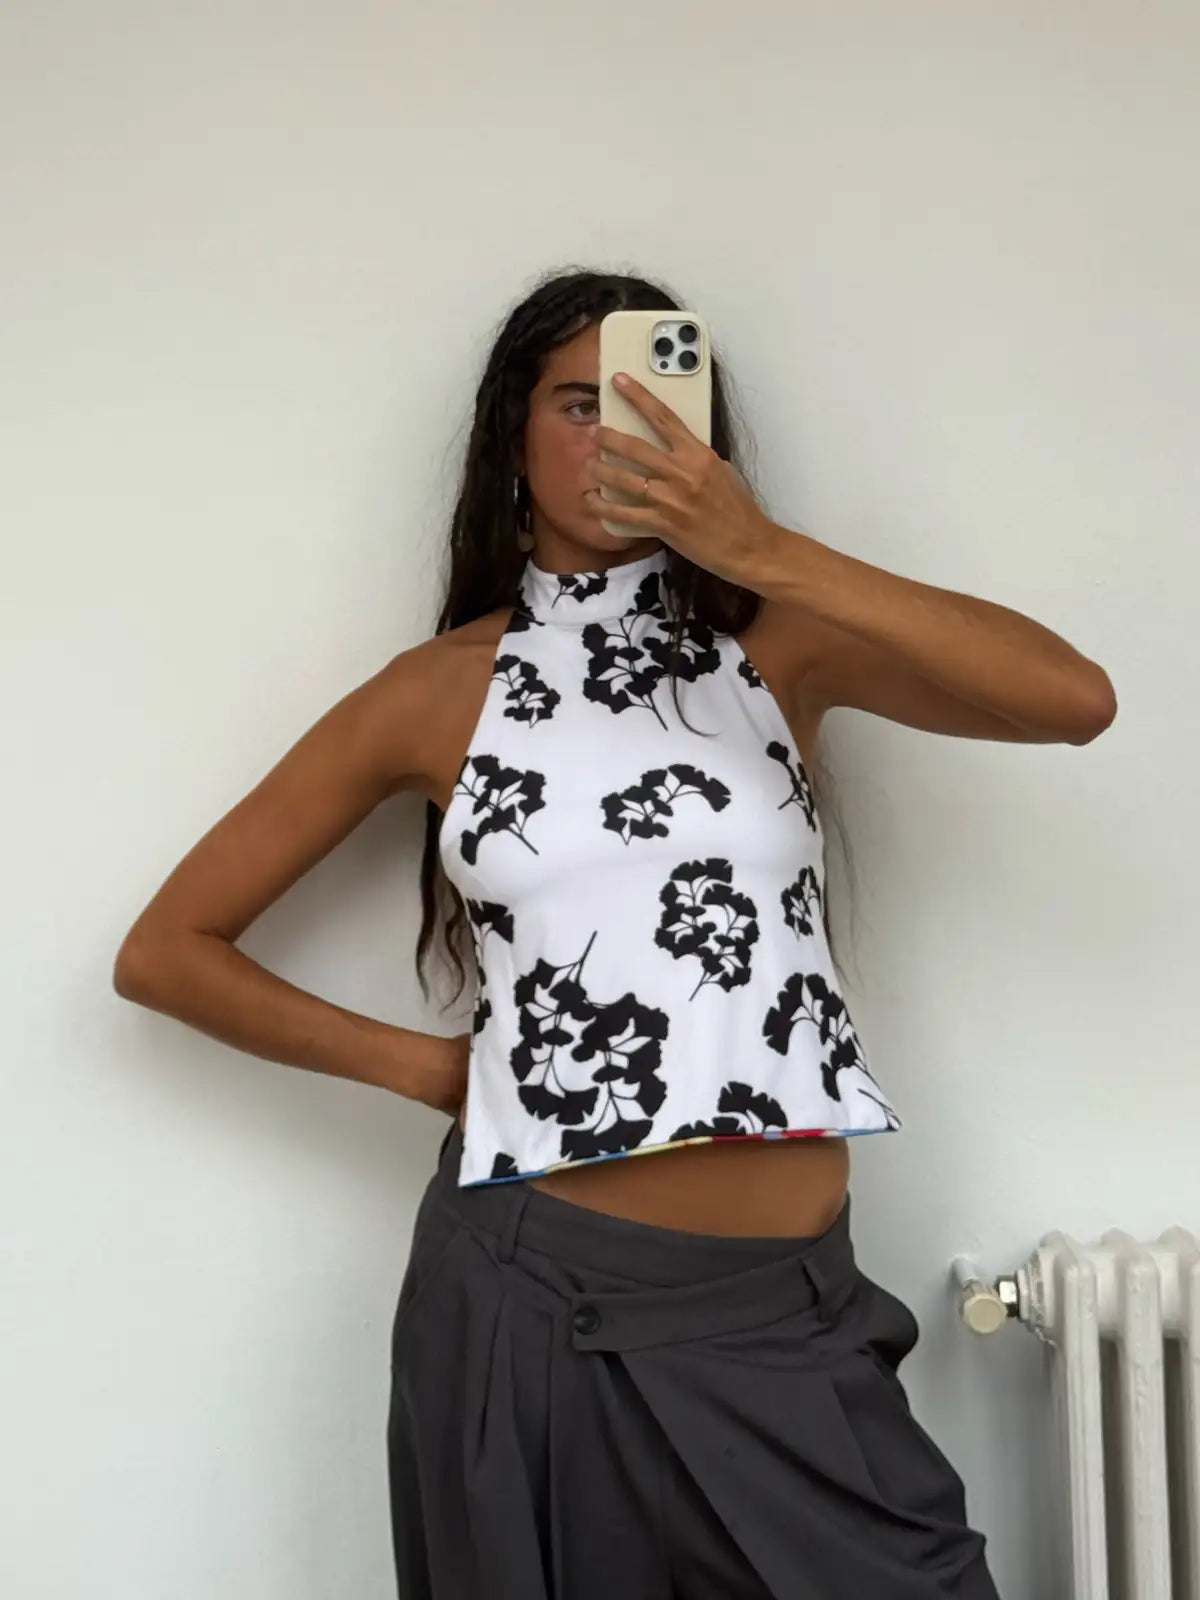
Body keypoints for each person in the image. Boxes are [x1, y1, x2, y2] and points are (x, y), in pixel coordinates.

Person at [114, 267, 1116, 1598]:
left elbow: (1072, 701)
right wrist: (433, 1070)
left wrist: (764, 549)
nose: (615, 438)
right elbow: (168, 950)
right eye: (581, 405)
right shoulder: (434, 692)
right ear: (513, 441)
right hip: (535, 1297)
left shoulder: (777, 646)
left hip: (791, 1316)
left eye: (652, 407)